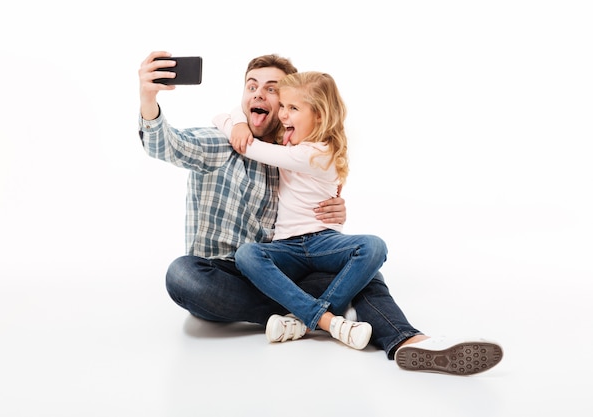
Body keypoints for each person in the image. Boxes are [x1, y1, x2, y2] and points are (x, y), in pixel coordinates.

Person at [137, 51, 503, 375]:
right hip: (226, 276)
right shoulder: (221, 142)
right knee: (181, 274)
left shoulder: (290, 149)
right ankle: (327, 316)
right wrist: (149, 98)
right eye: (251, 87)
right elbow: (164, 143)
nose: (259, 95)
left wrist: (335, 208)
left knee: (364, 266)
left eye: (273, 90)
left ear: (288, 106)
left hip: (280, 269)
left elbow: (312, 190)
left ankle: (407, 341)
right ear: (244, 96)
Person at [213, 71, 387, 350]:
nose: (283, 115)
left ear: (319, 116)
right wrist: (238, 120)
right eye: (282, 106)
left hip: (322, 241)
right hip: (286, 246)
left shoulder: (315, 153)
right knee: (248, 254)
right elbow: (238, 111)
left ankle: (304, 320)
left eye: (293, 108)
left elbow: (249, 147)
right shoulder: (292, 141)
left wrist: (232, 125)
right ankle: (329, 320)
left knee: (373, 247)